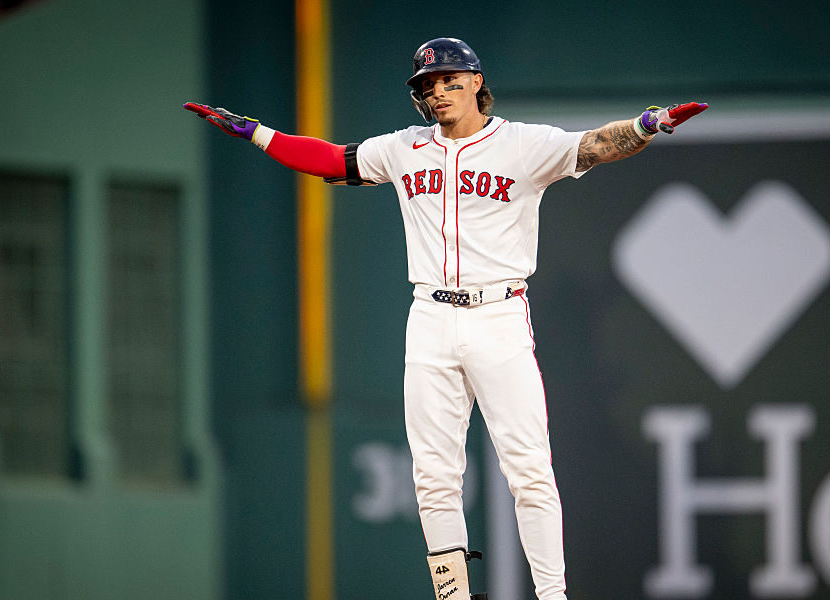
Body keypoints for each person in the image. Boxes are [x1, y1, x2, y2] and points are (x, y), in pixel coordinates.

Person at [186, 36, 707, 600]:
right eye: (428, 86)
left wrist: (647, 126)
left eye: (450, 80)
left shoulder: (524, 144)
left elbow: (595, 146)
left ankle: (553, 595)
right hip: (430, 316)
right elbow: (332, 159)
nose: (438, 92)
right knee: (433, 476)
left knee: (529, 471)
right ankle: (453, 596)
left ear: (477, 82)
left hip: (499, 313)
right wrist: (257, 133)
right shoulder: (405, 148)